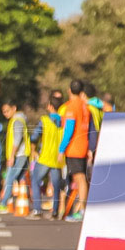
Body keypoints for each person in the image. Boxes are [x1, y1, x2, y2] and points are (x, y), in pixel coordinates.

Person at [28, 92, 64, 220]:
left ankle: (37, 209)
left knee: (35, 181)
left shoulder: (44, 121)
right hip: (59, 159)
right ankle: (55, 212)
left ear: (49, 106)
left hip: (45, 157)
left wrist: (33, 150)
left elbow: (35, 137)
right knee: (56, 186)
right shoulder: (64, 121)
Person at [60, 80, 91, 221]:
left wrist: (61, 149)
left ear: (69, 90)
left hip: (74, 147)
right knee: (81, 178)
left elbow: (69, 129)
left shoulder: (72, 106)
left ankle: (82, 209)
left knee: (80, 178)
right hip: (84, 145)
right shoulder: (85, 106)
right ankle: (81, 208)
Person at [0, 101, 31, 212]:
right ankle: (27, 202)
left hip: (19, 155)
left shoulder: (17, 121)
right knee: (20, 178)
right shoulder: (15, 120)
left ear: (14, 108)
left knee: (10, 178)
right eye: (4, 112)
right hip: (21, 154)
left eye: (7, 111)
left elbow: (17, 139)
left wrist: (12, 156)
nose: (5, 114)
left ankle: (4, 203)